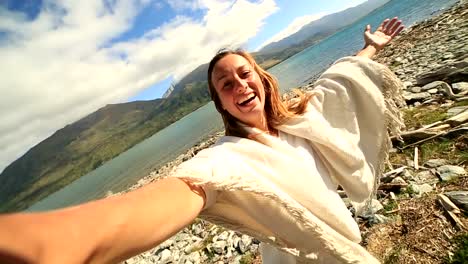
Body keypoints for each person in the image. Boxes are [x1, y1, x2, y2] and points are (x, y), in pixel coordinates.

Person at [0, 18, 404, 264]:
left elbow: (336, 83)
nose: (239, 85)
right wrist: (56, 244)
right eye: (226, 84)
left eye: (244, 74)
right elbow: (184, 189)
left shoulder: (300, 120)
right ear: (221, 104)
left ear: (261, 78)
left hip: (346, 242)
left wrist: (370, 48)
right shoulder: (227, 160)